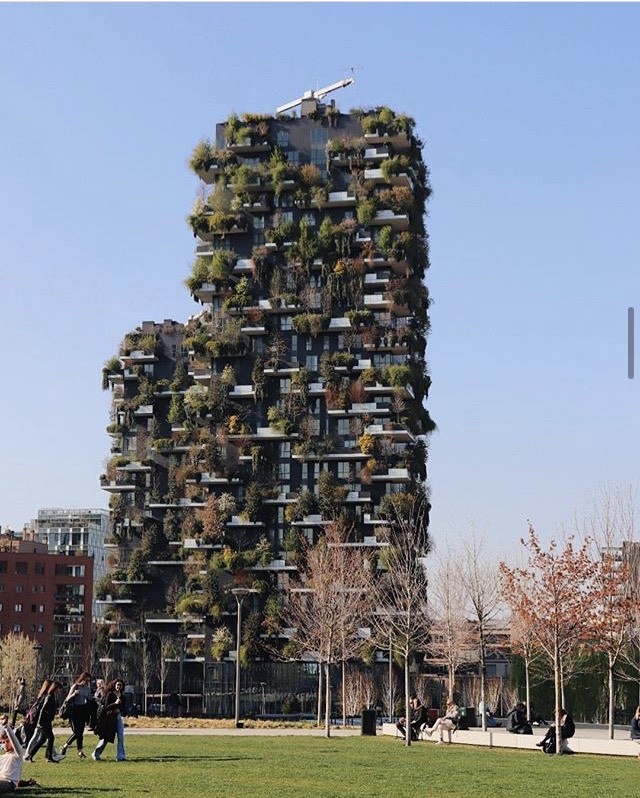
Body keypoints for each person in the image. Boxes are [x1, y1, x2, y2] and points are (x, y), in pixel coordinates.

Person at [23, 680, 64, 763]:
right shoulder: (49, 697)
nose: (59, 691)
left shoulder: (51, 697)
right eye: (59, 689)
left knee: (42, 739)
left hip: (47, 721)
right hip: (44, 722)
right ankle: (49, 757)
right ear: (55, 688)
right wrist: (39, 722)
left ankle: (30, 755)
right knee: (51, 738)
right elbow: (42, 710)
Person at [92, 678, 126, 762]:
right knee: (106, 737)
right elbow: (106, 707)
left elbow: (124, 708)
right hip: (109, 718)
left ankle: (120, 756)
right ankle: (96, 753)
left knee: (120, 736)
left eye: (120, 685)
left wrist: (120, 709)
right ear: (114, 685)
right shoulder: (110, 694)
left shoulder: (122, 696)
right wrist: (115, 704)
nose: (119, 686)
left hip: (118, 717)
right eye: (118, 684)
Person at [60, 672, 92, 759]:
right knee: (76, 732)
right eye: (85, 680)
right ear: (82, 679)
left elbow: (89, 698)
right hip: (74, 710)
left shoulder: (87, 689)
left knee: (80, 733)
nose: (86, 682)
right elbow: (67, 699)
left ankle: (80, 751)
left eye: (88, 681)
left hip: (82, 710)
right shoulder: (75, 686)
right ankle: (65, 746)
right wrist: (74, 694)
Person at [0, 716, 25, 793]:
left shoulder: (17, 754)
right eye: (3, 742)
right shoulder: (2, 757)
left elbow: (13, 740)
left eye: (7, 742)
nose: (4, 744)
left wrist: (6, 726)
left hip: (9, 783)